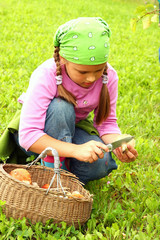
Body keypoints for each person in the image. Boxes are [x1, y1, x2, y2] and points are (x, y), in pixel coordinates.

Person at [17, 17, 138, 184]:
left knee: (100, 163)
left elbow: (106, 123)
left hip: (72, 128)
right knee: (61, 108)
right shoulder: (46, 74)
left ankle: (63, 172)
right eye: (82, 72)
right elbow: (28, 135)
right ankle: (50, 169)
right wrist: (76, 150)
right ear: (62, 58)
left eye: (98, 70)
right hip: (40, 132)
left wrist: (119, 142)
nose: (91, 77)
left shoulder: (108, 77)